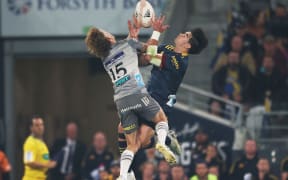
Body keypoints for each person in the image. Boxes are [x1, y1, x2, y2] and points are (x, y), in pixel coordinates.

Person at [85, 17, 176, 180]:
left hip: (121, 101)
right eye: (106, 32)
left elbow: (136, 59)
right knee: (162, 119)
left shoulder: (104, 59)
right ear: (108, 38)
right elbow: (149, 52)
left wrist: (132, 37)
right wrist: (155, 32)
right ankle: (161, 142)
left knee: (132, 144)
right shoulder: (127, 45)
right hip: (137, 94)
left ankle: (123, 175)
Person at [22, 115, 56, 180]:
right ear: (31, 128)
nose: (40, 127)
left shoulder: (41, 142)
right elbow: (29, 161)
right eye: (37, 125)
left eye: (41, 125)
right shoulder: (30, 142)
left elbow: (44, 157)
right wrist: (46, 165)